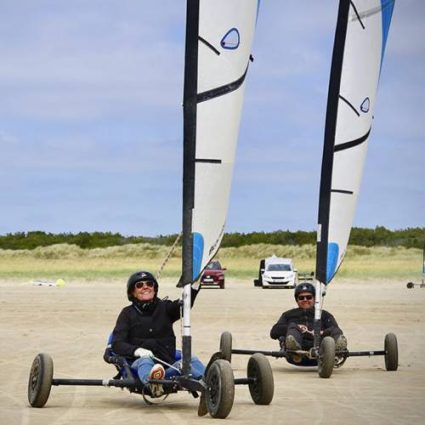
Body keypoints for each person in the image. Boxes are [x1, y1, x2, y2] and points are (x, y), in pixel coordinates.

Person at [111, 270, 205, 396]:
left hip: (167, 366)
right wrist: (138, 351)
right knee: (145, 360)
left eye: (149, 284)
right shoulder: (127, 314)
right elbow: (117, 344)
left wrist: (193, 287)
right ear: (132, 292)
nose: (145, 287)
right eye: (139, 285)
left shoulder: (165, 308)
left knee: (188, 361)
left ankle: (209, 382)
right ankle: (153, 384)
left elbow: (184, 305)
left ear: (154, 289)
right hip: (139, 366)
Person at [270, 282, 347, 357]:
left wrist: (320, 332)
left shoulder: (324, 315)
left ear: (314, 299)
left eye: (309, 297)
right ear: (297, 300)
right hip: (297, 349)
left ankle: (339, 349)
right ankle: (293, 347)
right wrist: (296, 328)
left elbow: (335, 330)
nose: (305, 300)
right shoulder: (288, 315)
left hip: (322, 348)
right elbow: (274, 332)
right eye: (301, 298)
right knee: (292, 326)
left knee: (334, 330)